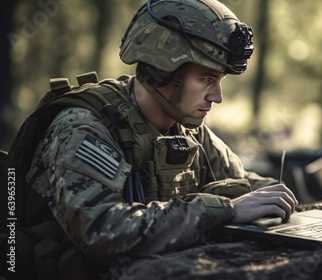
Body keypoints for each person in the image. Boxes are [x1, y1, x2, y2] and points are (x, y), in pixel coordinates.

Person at [23, 0, 298, 274]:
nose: (217, 97)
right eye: (206, 79)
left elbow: (242, 182)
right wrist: (224, 209)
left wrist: (276, 196)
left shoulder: (186, 125)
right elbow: (102, 231)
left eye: (220, 81)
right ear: (161, 71)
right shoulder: (85, 128)